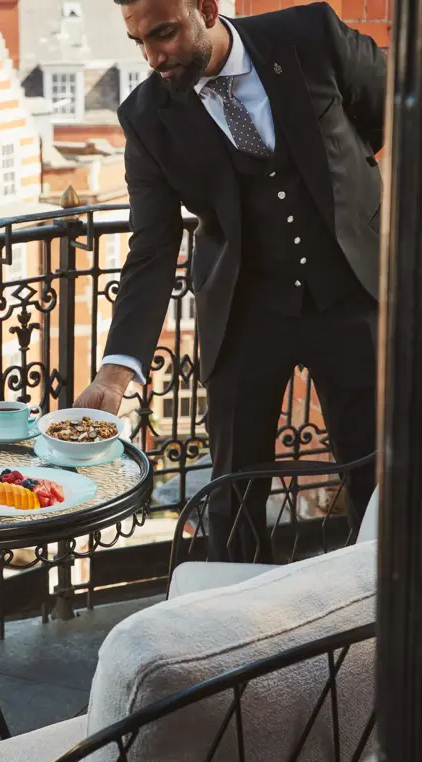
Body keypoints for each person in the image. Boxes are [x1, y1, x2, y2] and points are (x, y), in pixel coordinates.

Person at [75, 0, 385, 559]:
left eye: (163, 33)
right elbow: (152, 246)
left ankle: (380, 623)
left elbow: (387, 112)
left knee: (379, 477)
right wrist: (116, 371)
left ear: (207, 9)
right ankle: (242, 637)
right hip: (246, 311)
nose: (153, 55)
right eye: (138, 41)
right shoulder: (145, 117)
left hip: (350, 294)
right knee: (233, 495)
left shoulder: (310, 35)